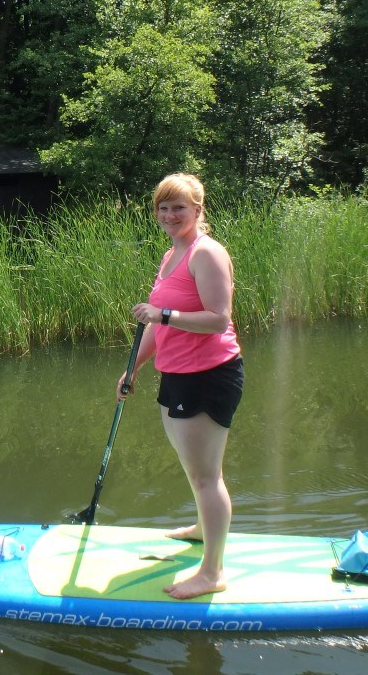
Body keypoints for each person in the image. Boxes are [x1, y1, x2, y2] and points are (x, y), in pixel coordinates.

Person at [120, 172, 244, 600]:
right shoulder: (171, 253)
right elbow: (158, 324)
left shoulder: (206, 253)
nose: (170, 215)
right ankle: (202, 528)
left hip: (209, 375)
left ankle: (212, 572)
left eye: (179, 207)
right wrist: (133, 368)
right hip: (176, 373)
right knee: (195, 468)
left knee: (207, 476)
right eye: (163, 207)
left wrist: (164, 315)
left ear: (198, 209)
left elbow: (218, 319)